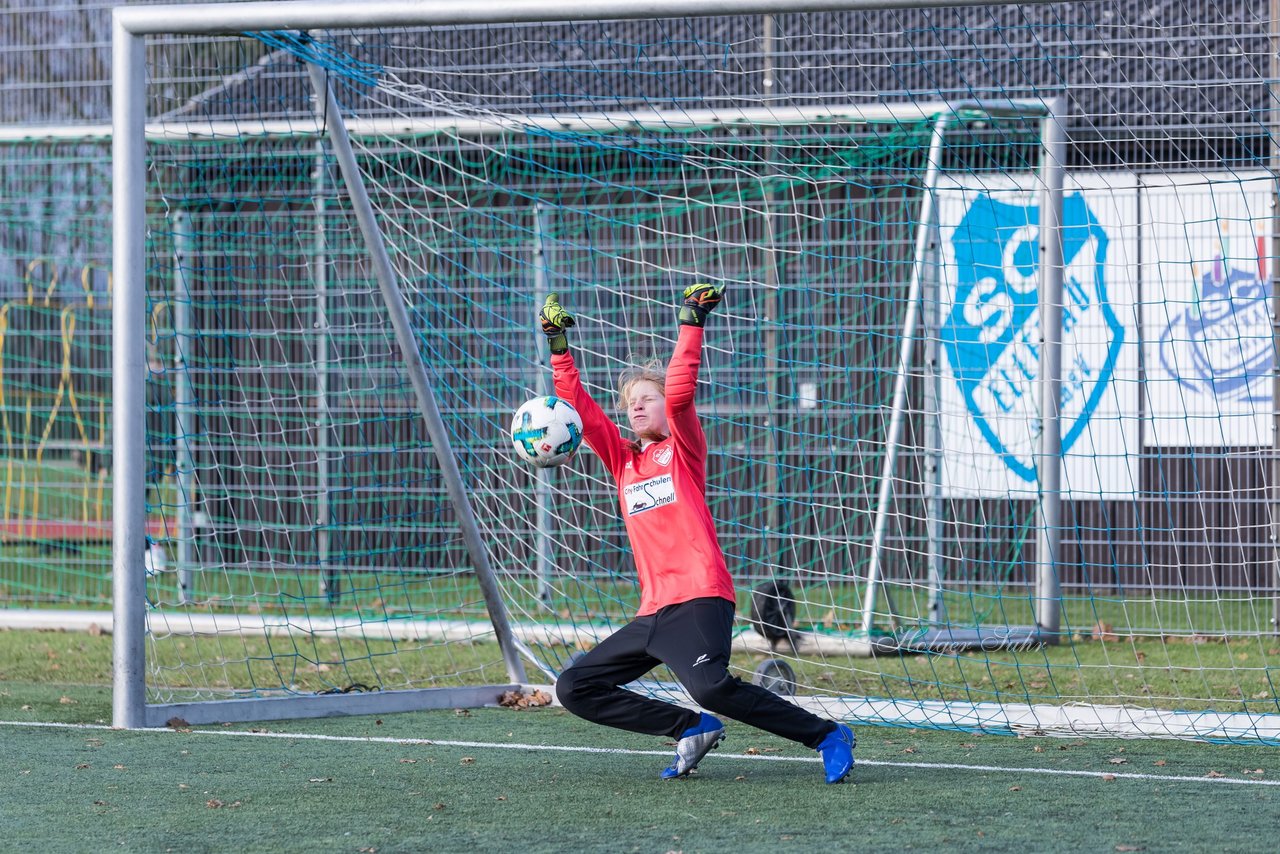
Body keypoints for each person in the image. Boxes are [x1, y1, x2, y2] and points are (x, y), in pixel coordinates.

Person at [542, 283, 855, 784]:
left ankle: (826, 735)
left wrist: (691, 322)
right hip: (653, 614)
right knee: (575, 686)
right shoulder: (623, 461)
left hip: (701, 597)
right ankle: (690, 728)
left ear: (667, 408)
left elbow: (682, 389)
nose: (638, 408)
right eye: (631, 403)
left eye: (648, 399)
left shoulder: (683, 451)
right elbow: (578, 409)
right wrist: (559, 346)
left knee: (710, 686)